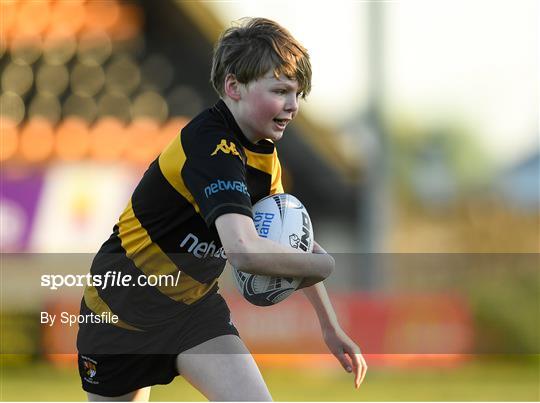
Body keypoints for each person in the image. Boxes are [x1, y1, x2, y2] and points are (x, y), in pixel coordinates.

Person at [77, 17, 367, 401]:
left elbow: (293, 244)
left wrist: (329, 326)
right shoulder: (210, 147)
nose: (293, 106)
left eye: (298, 94)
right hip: (120, 312)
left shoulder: (266, 159)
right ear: (234, 87)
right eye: (281, 91)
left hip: (192, 312)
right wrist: (326, 265)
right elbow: (244, 251)